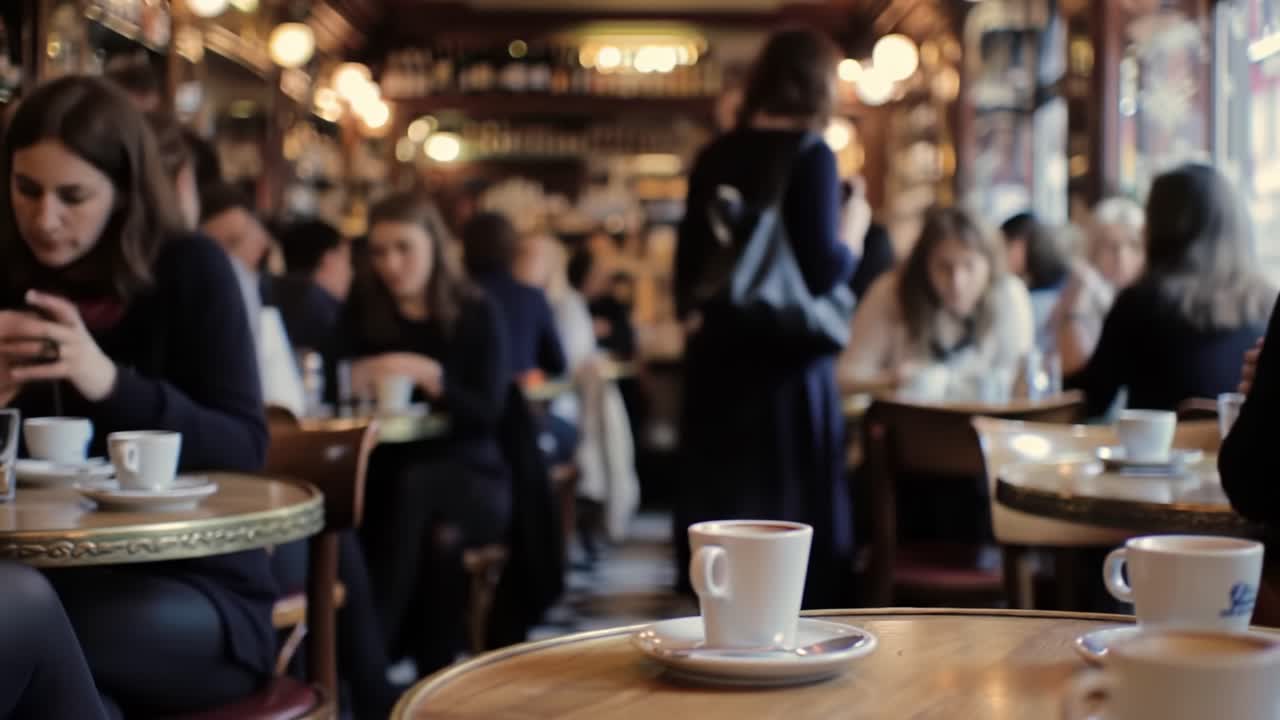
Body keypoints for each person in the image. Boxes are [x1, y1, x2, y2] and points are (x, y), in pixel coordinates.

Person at [0, 76, 274, 715]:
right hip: (44, 572)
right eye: (26, 189)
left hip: (194, 591)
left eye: (74, 196)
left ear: (123, 193)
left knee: (21, 611)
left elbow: (246, 446)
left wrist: (107, 381)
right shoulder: (7, 277)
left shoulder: (191, 268)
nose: (46, 217)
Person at [674, 27, 861, 608]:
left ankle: (720, 630)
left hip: (718, 365)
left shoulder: (715, 155)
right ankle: (795, 640)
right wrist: (854, 230)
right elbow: (821, 273)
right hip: (789, 367)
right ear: (819, 87)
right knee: (792, 524)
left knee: (723, 520)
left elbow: (687, 273)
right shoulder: (812, 156)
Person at [335, 193, 511, 676]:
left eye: (403, 248)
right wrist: (368, 371)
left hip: (474, 473)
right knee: (429, 533)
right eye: (379, 251)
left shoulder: (477, 312)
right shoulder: (365, 310)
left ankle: (372, 658)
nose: (391, 264)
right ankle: (421, 669)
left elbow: (489, 414)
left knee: (416, 488)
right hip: (389, 471)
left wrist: (429, 376)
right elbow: (333, 379)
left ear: (434, 245)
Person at [1067, 164, 1275, 416]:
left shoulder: (1142, 303)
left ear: (1160, 227)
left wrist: (1070, 315)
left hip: (1157, 455)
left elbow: (1091, 400)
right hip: (1239, 452)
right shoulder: (1267, 303)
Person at [841, 207, 1034, 401]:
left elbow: (1019, 381)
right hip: (914, 423)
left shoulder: (1009, 295)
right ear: (924, 265)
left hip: (990, 422)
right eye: (944, 267)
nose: (957, 282)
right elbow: (844, 377)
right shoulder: (892, 292)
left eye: (969, 266)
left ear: (989, 265)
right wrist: (892, 381)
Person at [1049, 196, 1145, 375]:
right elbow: (1071, 370)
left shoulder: (1152, 302)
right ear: (1093, 251)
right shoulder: (1077, 296)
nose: (1122, 258)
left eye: (1133, 245)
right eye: (1111, 246)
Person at [271, 219, 351, 354]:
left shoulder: (272, 304)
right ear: (329, 259)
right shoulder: (332, 316)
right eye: (348, 260)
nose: (351, 272)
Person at [1001, 211, 1069, 348]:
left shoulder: (1043, 299)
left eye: (1005, 246)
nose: (1000, 256)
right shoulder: (1061, 281)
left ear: (1020, 245)